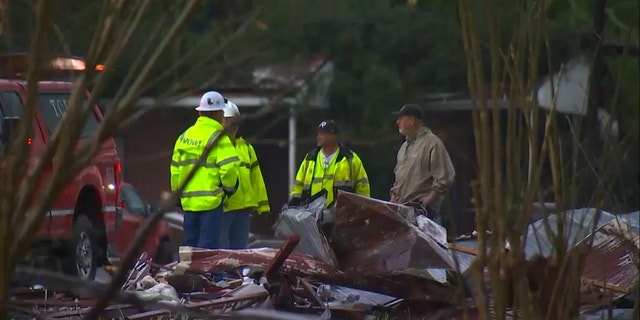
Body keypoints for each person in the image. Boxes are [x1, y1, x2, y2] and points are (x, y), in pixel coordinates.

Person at [170, 91, 239, 249]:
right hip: (211, 203)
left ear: (200, 112)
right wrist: (228, 189)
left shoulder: (184, 137)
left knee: (189, 247)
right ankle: (205, 274)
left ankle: (188, 272)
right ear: (218, 113)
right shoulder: (220, 137)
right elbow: (229, 168)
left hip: (188, 203)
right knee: (207, 249)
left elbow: (175, 170)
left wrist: (178, 195)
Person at [390, 104, 455, 222]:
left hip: (423, 213)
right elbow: (399, 176)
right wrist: (394, 196)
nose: (397, 122)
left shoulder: (432, 142)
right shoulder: (404, 147)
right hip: (403, 211)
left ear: (411, 120)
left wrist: (431, 197)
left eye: (401, 118)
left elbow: (445, 175)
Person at [219, 99, 270, 249]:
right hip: (223, 209)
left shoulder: (246, 148)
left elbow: (256, 179)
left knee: (240, 251)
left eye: (234, 122)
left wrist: (263, 206)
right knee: (222, 250)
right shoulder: (216, 147)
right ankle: (223, 273)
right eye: (228, 121)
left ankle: (238, 273)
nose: (232, 126)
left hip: (242, 210)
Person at [289, 120, 370, 208]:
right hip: (311, 216)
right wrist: (295, 202)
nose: (318, 136)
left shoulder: (350, 159)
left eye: (323, 133)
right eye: (318, 133)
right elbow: (298, 185)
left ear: (334, 136)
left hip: (341, 216)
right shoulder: (310, 158)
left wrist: (362, 210)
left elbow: (363, 188)